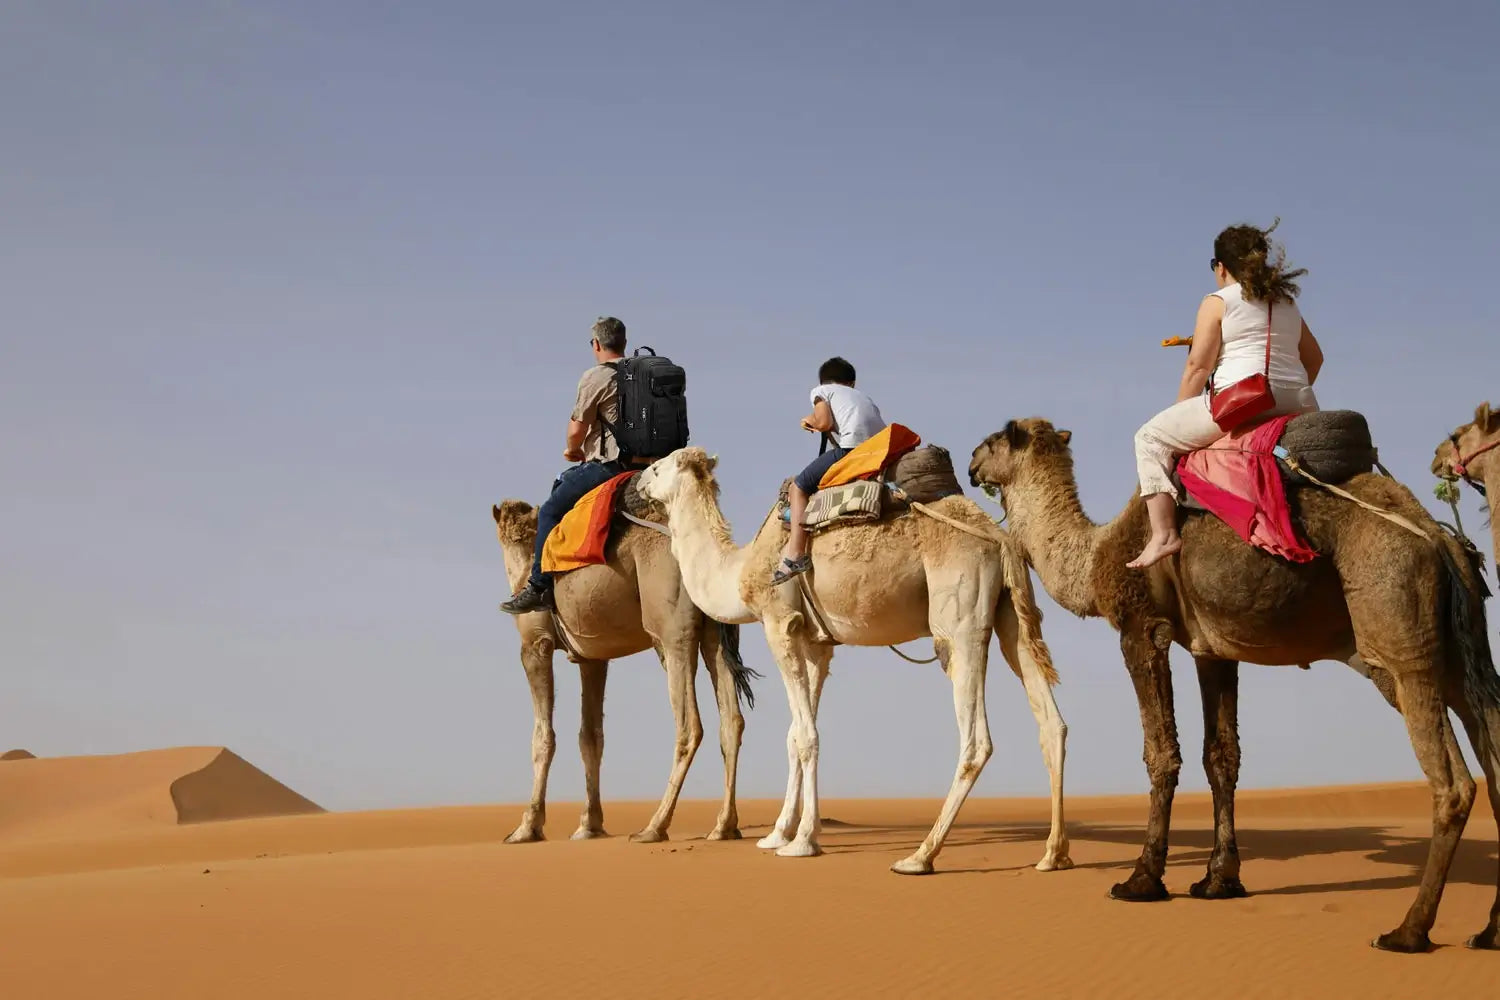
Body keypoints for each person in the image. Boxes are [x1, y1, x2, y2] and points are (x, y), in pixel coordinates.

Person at [1127, 222, 1326, 570]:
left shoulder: (1217, 301)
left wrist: (1180, 416)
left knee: (1149, 438)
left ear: (1221, 266)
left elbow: (1198, 368)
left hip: (1241, 402)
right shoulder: (1287, 303)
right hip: (1301, 402)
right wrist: (1286, 393)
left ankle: (1163, 535)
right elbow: (1315, 358)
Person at [501, 317, 637, 614]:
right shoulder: (643, 375)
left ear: (597, 344)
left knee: (550, 509)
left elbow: (576, 430)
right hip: (651, 467)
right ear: (624, 343)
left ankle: (539, 586)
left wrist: (574, 450)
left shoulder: (597, 376)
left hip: (612, 467)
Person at [772, 356, 886, 585]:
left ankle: (795, 554)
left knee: (798, 488)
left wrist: (809, 420)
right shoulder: (864, 398)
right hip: (879, 452)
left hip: (851, 451)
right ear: (852, 383)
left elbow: (823, 423)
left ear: (824, 381)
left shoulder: (821, 391)